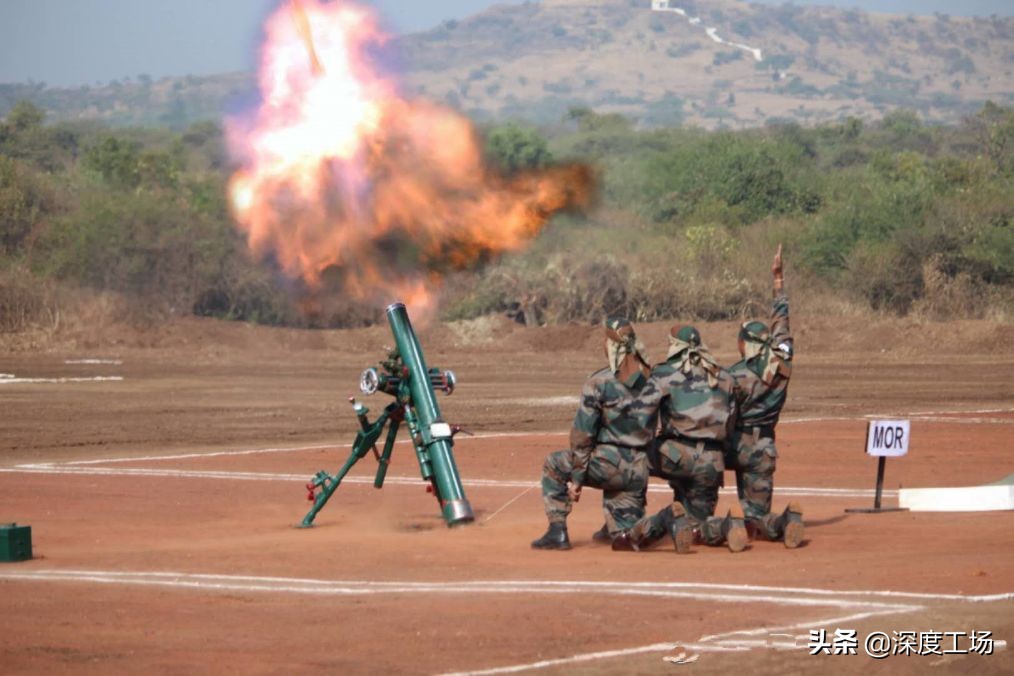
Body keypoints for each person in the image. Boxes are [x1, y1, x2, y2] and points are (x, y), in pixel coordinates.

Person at [612, 325, 747, 553]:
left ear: (674, 345)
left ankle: (633, 525)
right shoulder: (724, 376)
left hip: (674, 455)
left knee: (629, 462)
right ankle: (726, 526)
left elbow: (642, 419)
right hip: (712, 462)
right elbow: (731, 423)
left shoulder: (664, 374)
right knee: (697, 526)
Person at [531, 317, 661, 550]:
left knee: (553, 463)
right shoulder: (654, 381)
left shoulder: (599, 382)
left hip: (608, 466)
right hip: (639, 470)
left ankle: (557, 531)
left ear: (611, 345)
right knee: (624, 538)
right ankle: (668, 520)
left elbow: (582, 437)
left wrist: (578, 480)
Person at [726, 244, 804, 548]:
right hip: (765, 450)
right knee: (758, 517)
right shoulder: (783, 363)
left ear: (746, 345)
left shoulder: (735, 375)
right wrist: (778, 282)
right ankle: (785, 521)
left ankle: (699, 518)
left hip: (735, 448)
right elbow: (782, 326)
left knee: (695, 464)